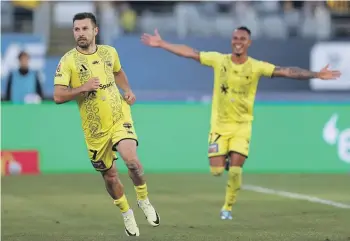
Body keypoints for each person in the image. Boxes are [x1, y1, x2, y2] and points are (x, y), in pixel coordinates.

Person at [141, 27, 341, 220]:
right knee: (217, 171)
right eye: (235, 38)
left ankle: (227, 207)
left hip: (242, 126)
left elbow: (287, 71)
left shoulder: (256, 66)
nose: (238, 42)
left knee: (236, 169)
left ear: (249, 43)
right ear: (232, 41)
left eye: (242, 39)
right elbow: (190, 53)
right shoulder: (219, 60)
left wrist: (316, 74)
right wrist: (162, 44)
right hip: (220, 126)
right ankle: (226, 160)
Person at [53, 12, 160, 236]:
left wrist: (128, 90)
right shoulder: (68, 60)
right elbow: (58, 96)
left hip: (119, 116)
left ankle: (143, 199)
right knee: (110, 176)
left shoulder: (109, 52)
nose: (80, 33)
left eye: (84, 29)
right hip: (94, 130)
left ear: (95, 31)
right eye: (76, 29)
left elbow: (119, 72)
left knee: (132, 162)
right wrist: (82, 88)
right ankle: (126, 212)